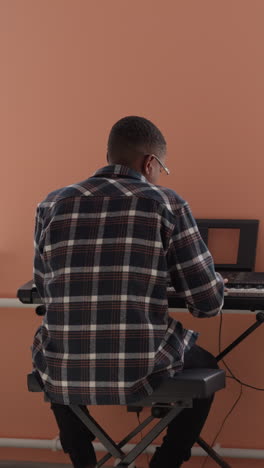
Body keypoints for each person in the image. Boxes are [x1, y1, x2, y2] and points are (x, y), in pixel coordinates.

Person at [32, 116, 225, 468]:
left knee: (52, 356)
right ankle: (165, 462)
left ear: (109, 155)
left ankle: (82, 458)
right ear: (150, 163)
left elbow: (45, 290)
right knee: (206, 364)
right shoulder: (166, 203)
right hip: (142, 363)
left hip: (64, 365)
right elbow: (208, 303)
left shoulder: (51, 204)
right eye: (161, 169)